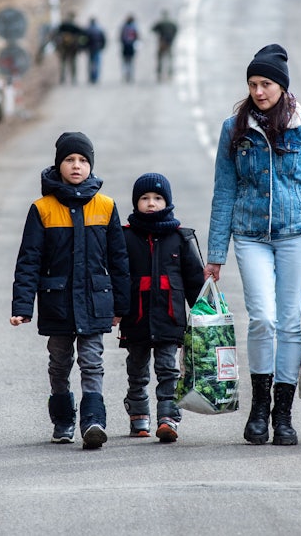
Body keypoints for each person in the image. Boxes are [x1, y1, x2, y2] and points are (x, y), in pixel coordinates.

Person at [204, 44, 301, 447]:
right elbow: (224, 191)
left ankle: (283, 415)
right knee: (262, 318)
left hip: (298, 233)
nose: (258, 91)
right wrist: (215, 255)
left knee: (290, 321)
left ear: (281, 86)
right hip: (250, 236)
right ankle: (259, 408)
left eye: (265, 84)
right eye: (252, 84)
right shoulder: (235, 128)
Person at [11, 132, 130, 449]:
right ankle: (63, 421)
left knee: (92, 362)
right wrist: (23, 306)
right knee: (59, 363)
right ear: (58, 164)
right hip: (57, 302)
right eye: (69, 160)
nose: (76, 166)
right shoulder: (43, 209)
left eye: (82, 160)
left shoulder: (106, 207)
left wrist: (121, 306)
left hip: (95, 301)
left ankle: (93, 422)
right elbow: (29, 260)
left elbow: (119, 261)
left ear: (91, 165)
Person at [115, 173, 205, 443]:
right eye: (144, 198)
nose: (151, 203)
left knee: (168, 369)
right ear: (136, 203)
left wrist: (204, 313)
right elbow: (116, 277)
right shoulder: (125, 237)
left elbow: (194, 282)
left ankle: (169, 417)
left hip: (170, 318)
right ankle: (138, 414)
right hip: (136, 318)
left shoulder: (180, 238)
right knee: (137, 369)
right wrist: (115, 309)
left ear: (167, 202)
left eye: (157, 198)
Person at [53, 13, 88, 84]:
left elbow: (55, 34)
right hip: (73, 49)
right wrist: (81, 47)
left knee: (63, 63)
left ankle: (62, 79)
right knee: (73, 63)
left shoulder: (63, 25)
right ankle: (74, 78)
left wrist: (57, 47)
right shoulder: (75, 26)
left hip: (63, 49)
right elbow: (83, 34)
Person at [151, 10, 178, 82]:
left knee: (160, 58)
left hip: (162, 43)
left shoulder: (160, 23)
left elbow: (153, 29)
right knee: (170, 58)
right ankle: (170, 73)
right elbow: (176, 29)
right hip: (169, 43)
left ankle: (159, 74)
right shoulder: (172, 23)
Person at [85, 17, 107, 84]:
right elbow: (104, 39)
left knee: (90, 63)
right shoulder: (99, 29)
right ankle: (96, 77)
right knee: (97, 63)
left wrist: (84, 47)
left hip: (90, 49)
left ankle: (91, 77)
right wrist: (102, 47)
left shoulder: (87, 30)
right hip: (97, 48)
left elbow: (84, 40)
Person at [119, 14, 139, 83]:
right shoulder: (134, 27)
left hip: (125, 46)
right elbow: (137, 37)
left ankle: (125, 75)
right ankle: (130, 75)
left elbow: (120, 37)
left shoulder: (124, 27)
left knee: (125, 62)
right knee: (131, 62)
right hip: (131, 46)